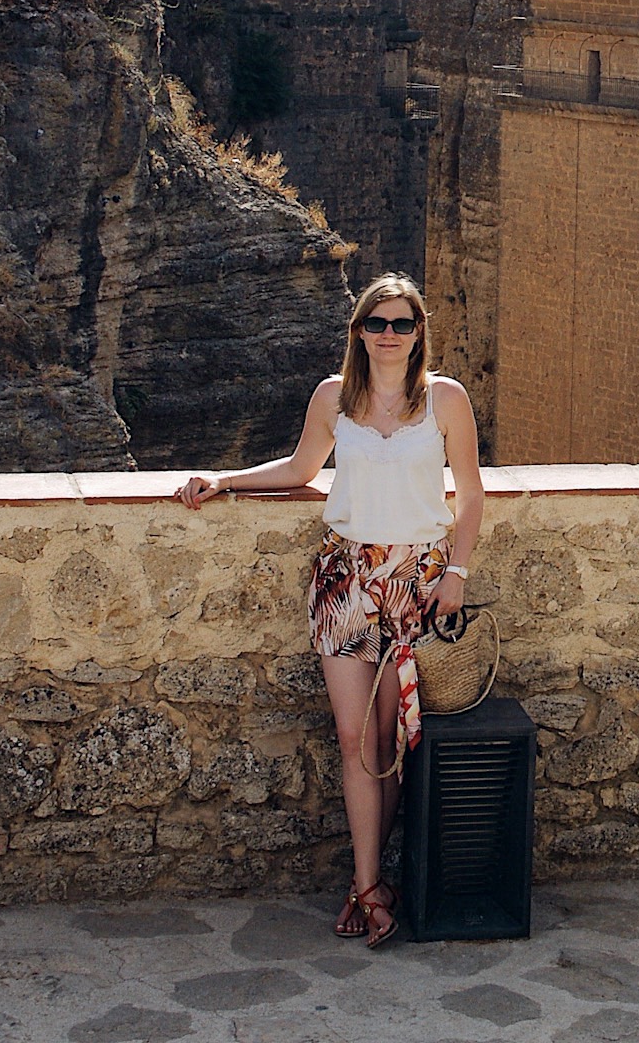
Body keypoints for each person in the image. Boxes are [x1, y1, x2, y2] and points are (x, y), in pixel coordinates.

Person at [174, 274, 482, 950]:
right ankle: (370, 886)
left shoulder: (446, 400)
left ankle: (365, 883)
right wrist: (223, 480)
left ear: (419, 332)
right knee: (353, 742)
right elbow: (300, 468)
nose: (390, 336)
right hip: (345, 582)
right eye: (378, 323)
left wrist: (455, 574)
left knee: (391, 746)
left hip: (416, 582)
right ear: (359, 332)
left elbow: (472, 494)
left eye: (403, 324)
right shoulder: (334, 397)